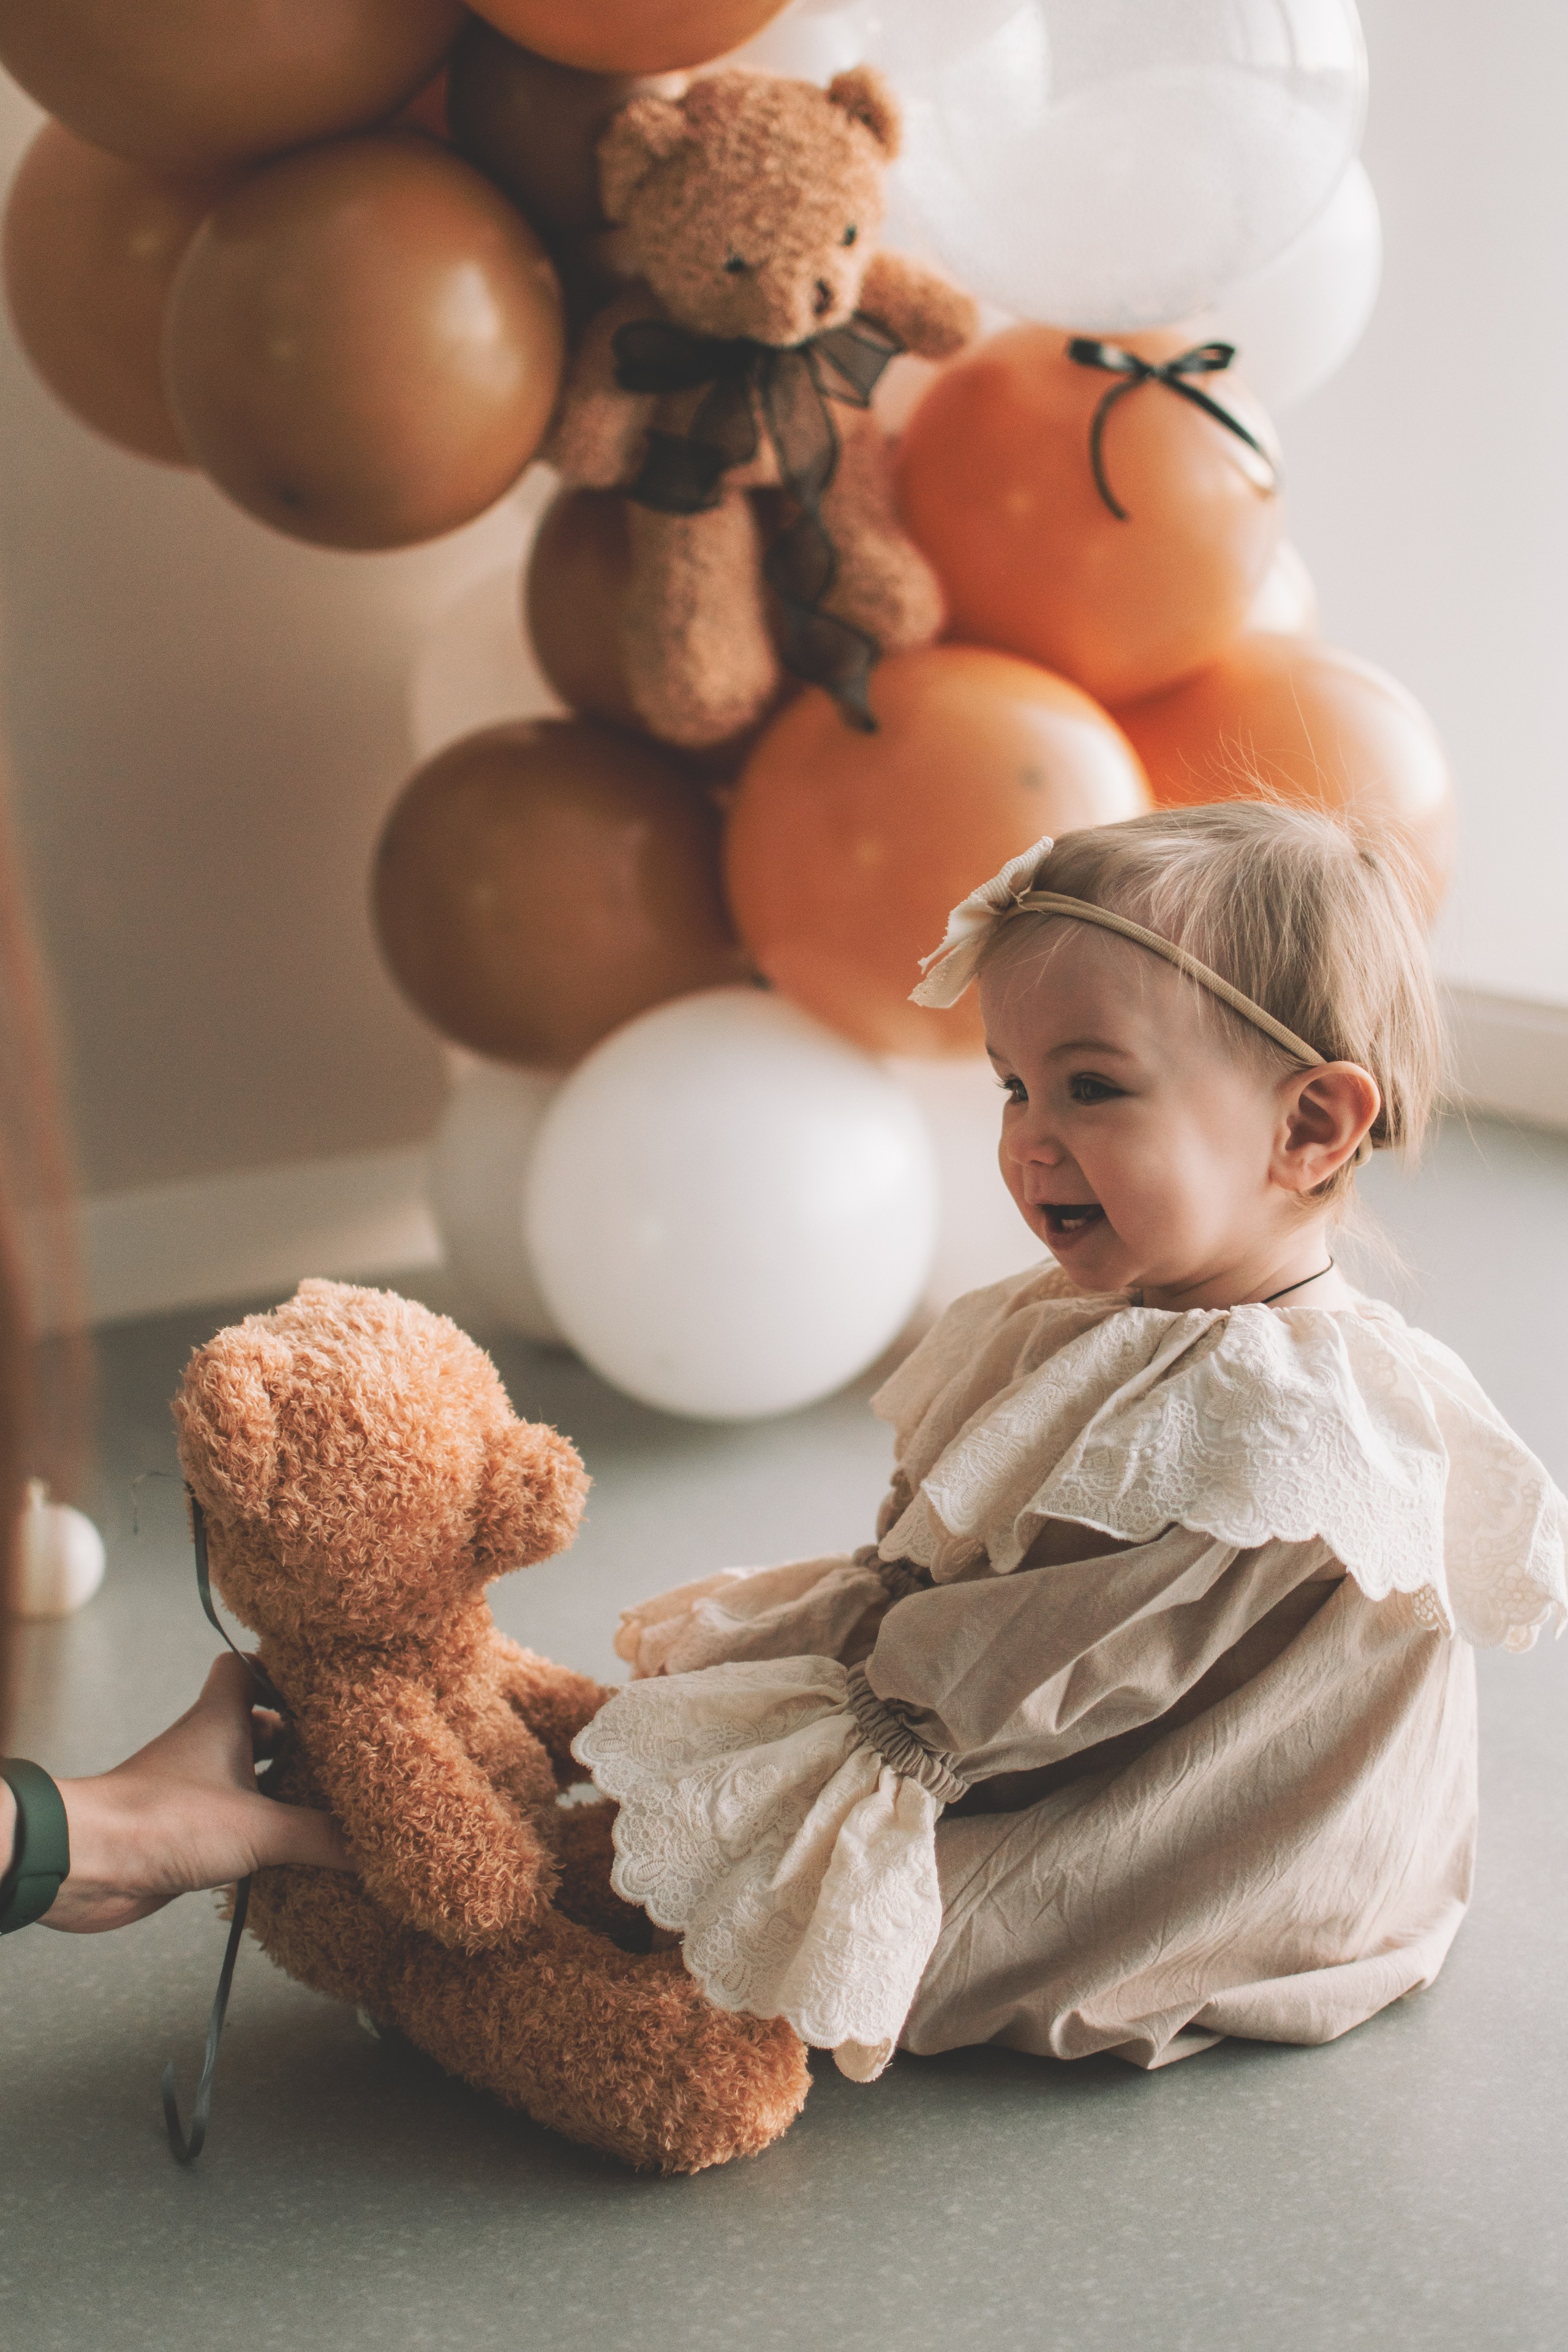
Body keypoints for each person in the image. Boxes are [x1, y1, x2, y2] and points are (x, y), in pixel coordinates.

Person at [575, 804, 1568, 2082]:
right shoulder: (1107, 1321)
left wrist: (843, 1753)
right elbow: (951, 1554)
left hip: (1205, 1834)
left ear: (1308, 1127)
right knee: (682, 1795)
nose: (1027, 1140)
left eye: (1090, 1087)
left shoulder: (1282, 1418)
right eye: (1012, 1084)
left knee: (725, 1906)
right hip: (1045, 1732)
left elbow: (1064, 1664)